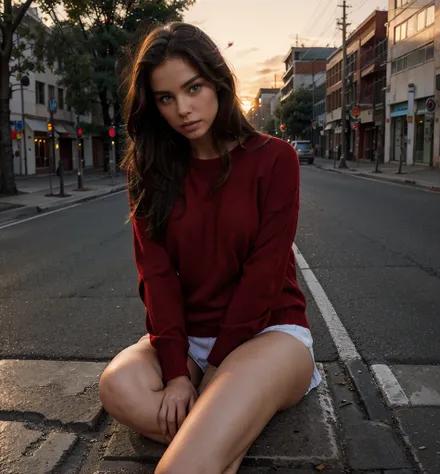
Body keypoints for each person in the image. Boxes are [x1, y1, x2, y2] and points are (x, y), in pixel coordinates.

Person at [99, 22, 322, 474]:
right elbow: (156, 277)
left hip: (269, 333)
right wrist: (179, 373)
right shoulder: (149, 170)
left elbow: (265, 273)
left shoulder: (275, 159)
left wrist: (218, 368)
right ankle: (222, 430)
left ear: (218, 80)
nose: (183, 109)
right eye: (165, 98)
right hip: (190, 340)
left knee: (180, 467)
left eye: (193, 87)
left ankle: (217, 427)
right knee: (117, 386)